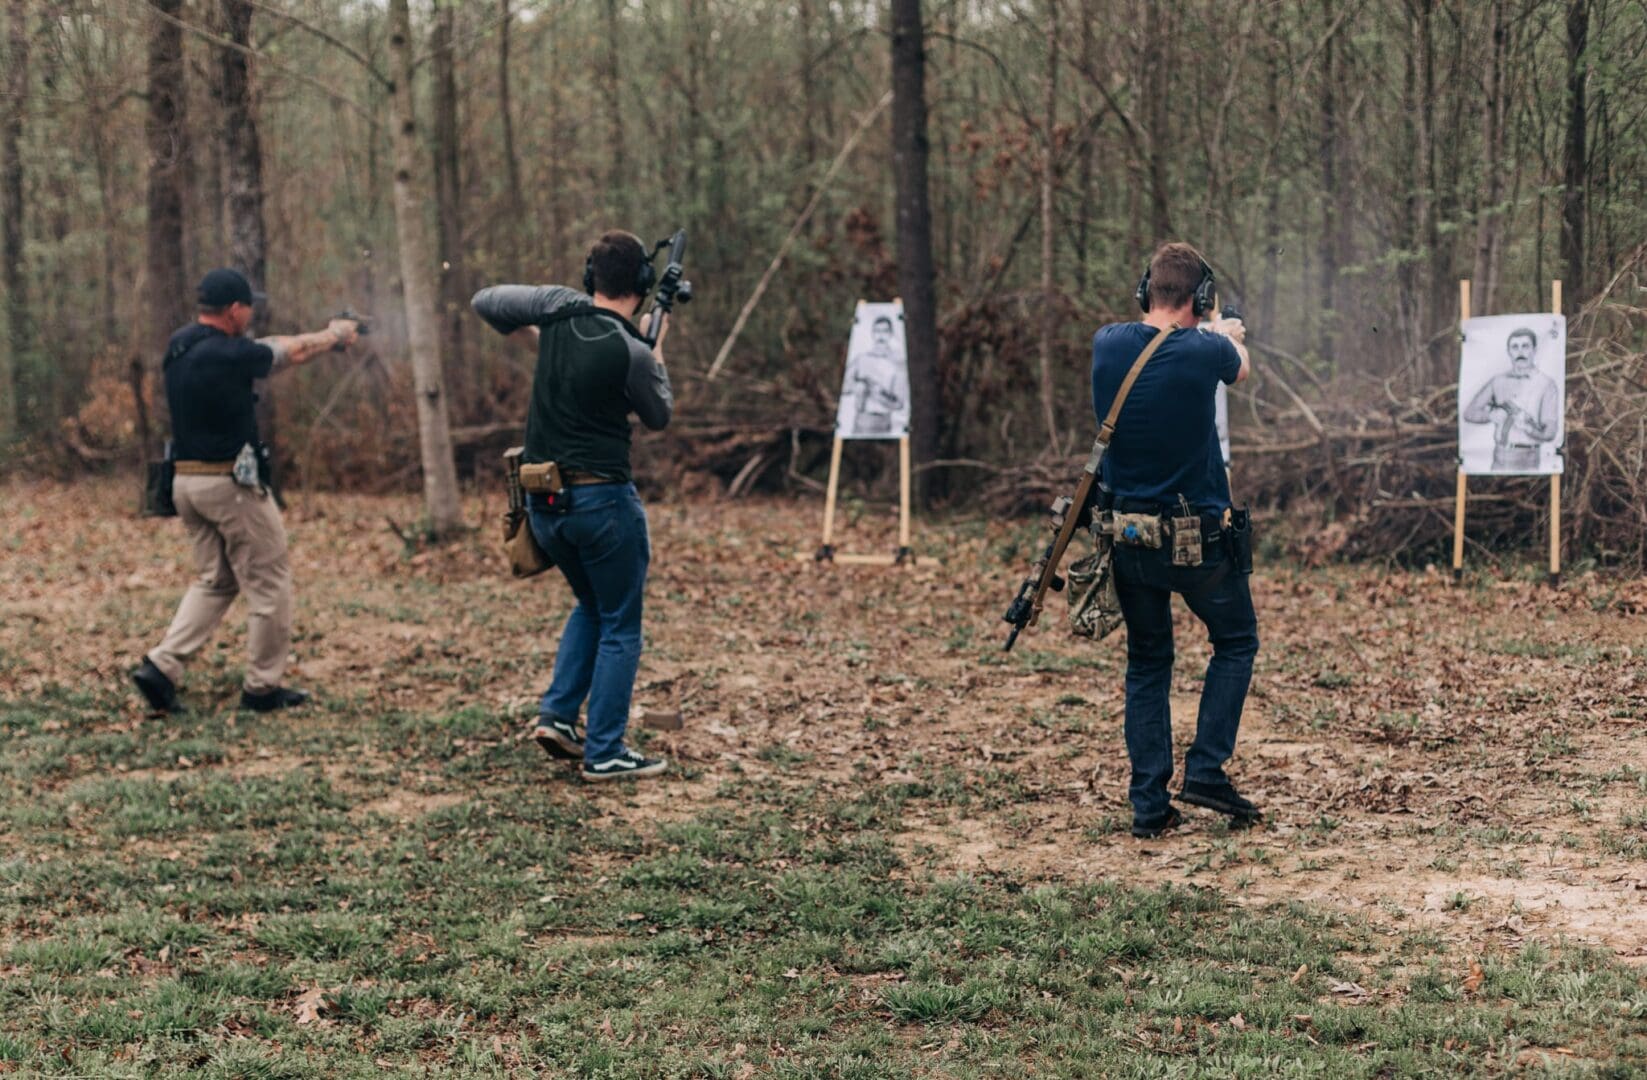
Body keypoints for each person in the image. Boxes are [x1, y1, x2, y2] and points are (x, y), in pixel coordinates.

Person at [471, 230, 674, 783]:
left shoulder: (559, 308)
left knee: (591, 606)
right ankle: (605, 750)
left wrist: (549, 321)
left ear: (591, 277)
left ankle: (559, 717)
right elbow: (659, 415)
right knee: (621, 626)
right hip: (603, 503)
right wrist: (654, 348)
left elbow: (486, 301)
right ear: (641, 284)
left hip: (545, 505)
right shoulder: (630, 350)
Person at [132, 269, 360, 714]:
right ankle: (262, 688)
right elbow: (286, 352)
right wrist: (334, 336)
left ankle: (161, 667)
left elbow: (268, 345)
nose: (252, 314)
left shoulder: (182, 345)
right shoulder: (226, 355)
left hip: (185, 484)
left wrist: (323, 334)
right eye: (248, 307)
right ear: (234, 310)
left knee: (216, 580)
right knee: (270, 581)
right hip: (227, 486)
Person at [1089, 242, 1258, 839]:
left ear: (1146, 291)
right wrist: (1227, 330)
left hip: (1128, 537)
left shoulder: (1107, 343)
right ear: (1199, 299)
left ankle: (1148, 804)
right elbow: (1238, 366)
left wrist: (1209, 328)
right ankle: (1207, 770)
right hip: (1196, 540)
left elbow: (1158, 341)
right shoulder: (1206, 348)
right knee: (1236, 642)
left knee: (1148, 663)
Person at [1461, 327, 1559, 471]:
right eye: (1515, 347)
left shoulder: (1546, 384)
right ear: (1509, 352)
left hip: (1530, 458)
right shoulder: (1498, 381)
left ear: (1535, 350)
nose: (1520, 352)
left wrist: (1529, 428)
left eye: (1525, 346)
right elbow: (1469, 413)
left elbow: (1550, 432)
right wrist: (1490, 415)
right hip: (1500, 457)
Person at [844, 314, 909, 436]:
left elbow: (899, 403)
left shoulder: (897, 364)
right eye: (877, 331)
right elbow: (845, 386)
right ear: (873, 333)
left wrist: (879, 394)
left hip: (883, 420)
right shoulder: (862, 359)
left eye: (885, 331)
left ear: (891, 334)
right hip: (861, 418)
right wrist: (857, 387)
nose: (881, 335)